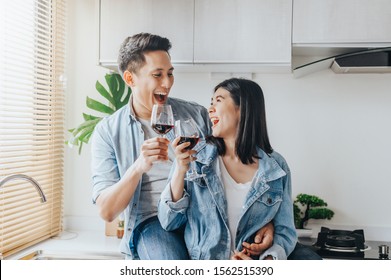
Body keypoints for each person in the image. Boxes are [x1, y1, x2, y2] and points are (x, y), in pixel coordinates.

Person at [90, 33, 273, 259]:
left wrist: (265, 220)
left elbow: (240, 164)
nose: (167, 84)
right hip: (154, 223)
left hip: (204, 219)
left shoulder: (196, 116)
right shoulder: (108, 131)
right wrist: (138, 166)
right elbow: (107, 211)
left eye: (169, 74)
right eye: (157, 75)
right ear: (130, 78)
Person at [158, 78, 298, 260]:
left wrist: (268, 261)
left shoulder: (277, 167)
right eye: (211, 102)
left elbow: (285, 232)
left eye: (218, 100)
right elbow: (168, 222)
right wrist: (179, 171)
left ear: (243, 108)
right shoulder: (195, 157)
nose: (210, 109)